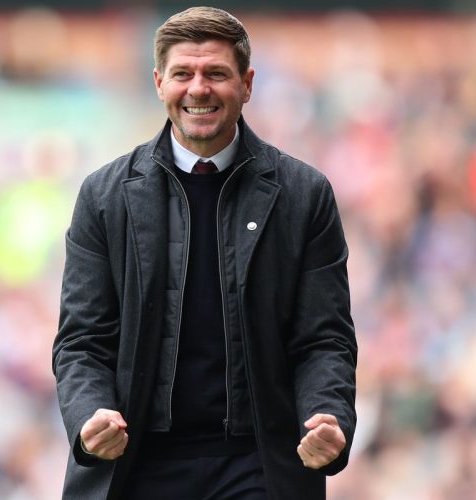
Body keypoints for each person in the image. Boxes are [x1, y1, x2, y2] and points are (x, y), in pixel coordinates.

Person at [53, 6, 357, 499]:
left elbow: (324, 339)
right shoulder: (104, 196)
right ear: (159, 83)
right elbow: (82, 341)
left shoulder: (304, 195)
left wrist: (328, 413)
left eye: (216, 73)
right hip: (136, 463)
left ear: (247, 84)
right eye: (183, 74)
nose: (198, 89)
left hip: (259, 465)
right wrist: (91, 415)